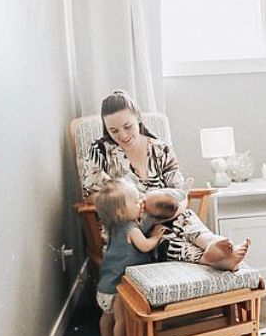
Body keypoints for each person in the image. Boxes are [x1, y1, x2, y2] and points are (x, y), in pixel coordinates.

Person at [81, 89, 251, 267]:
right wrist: (131, 204)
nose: (122, 135)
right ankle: (215, 259)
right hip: (129, 222)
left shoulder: (160, 149)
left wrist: (174, 209)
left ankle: (212, 243)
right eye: (113, 130)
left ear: (138, 118)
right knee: (162, 235)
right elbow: (91, 195)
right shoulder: (100, 150)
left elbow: (179, 190)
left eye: (128, 127)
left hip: (166, 212)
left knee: (184, 217)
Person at [94, 178, 165, 336]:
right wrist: (156, 237)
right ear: (121, 211)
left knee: (106, 318)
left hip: (104, 288)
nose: (141, 202)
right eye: (135, 201)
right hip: (119, 289)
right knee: (121, 321)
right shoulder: (131, 229)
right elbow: (144, 246)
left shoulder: (113, 228)